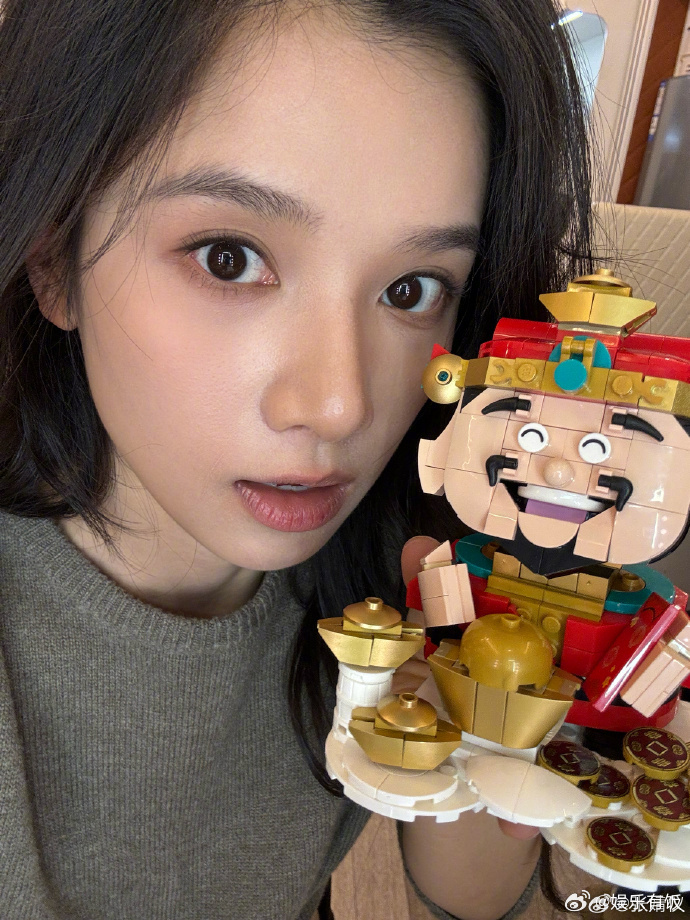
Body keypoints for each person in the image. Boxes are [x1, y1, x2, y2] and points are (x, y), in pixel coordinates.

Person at [0, 1, 594, 918]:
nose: (340, 404)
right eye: (229, 259)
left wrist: (498, 719)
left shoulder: (403, 572)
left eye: (412, 289)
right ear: (52, 259)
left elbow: (472, 896)